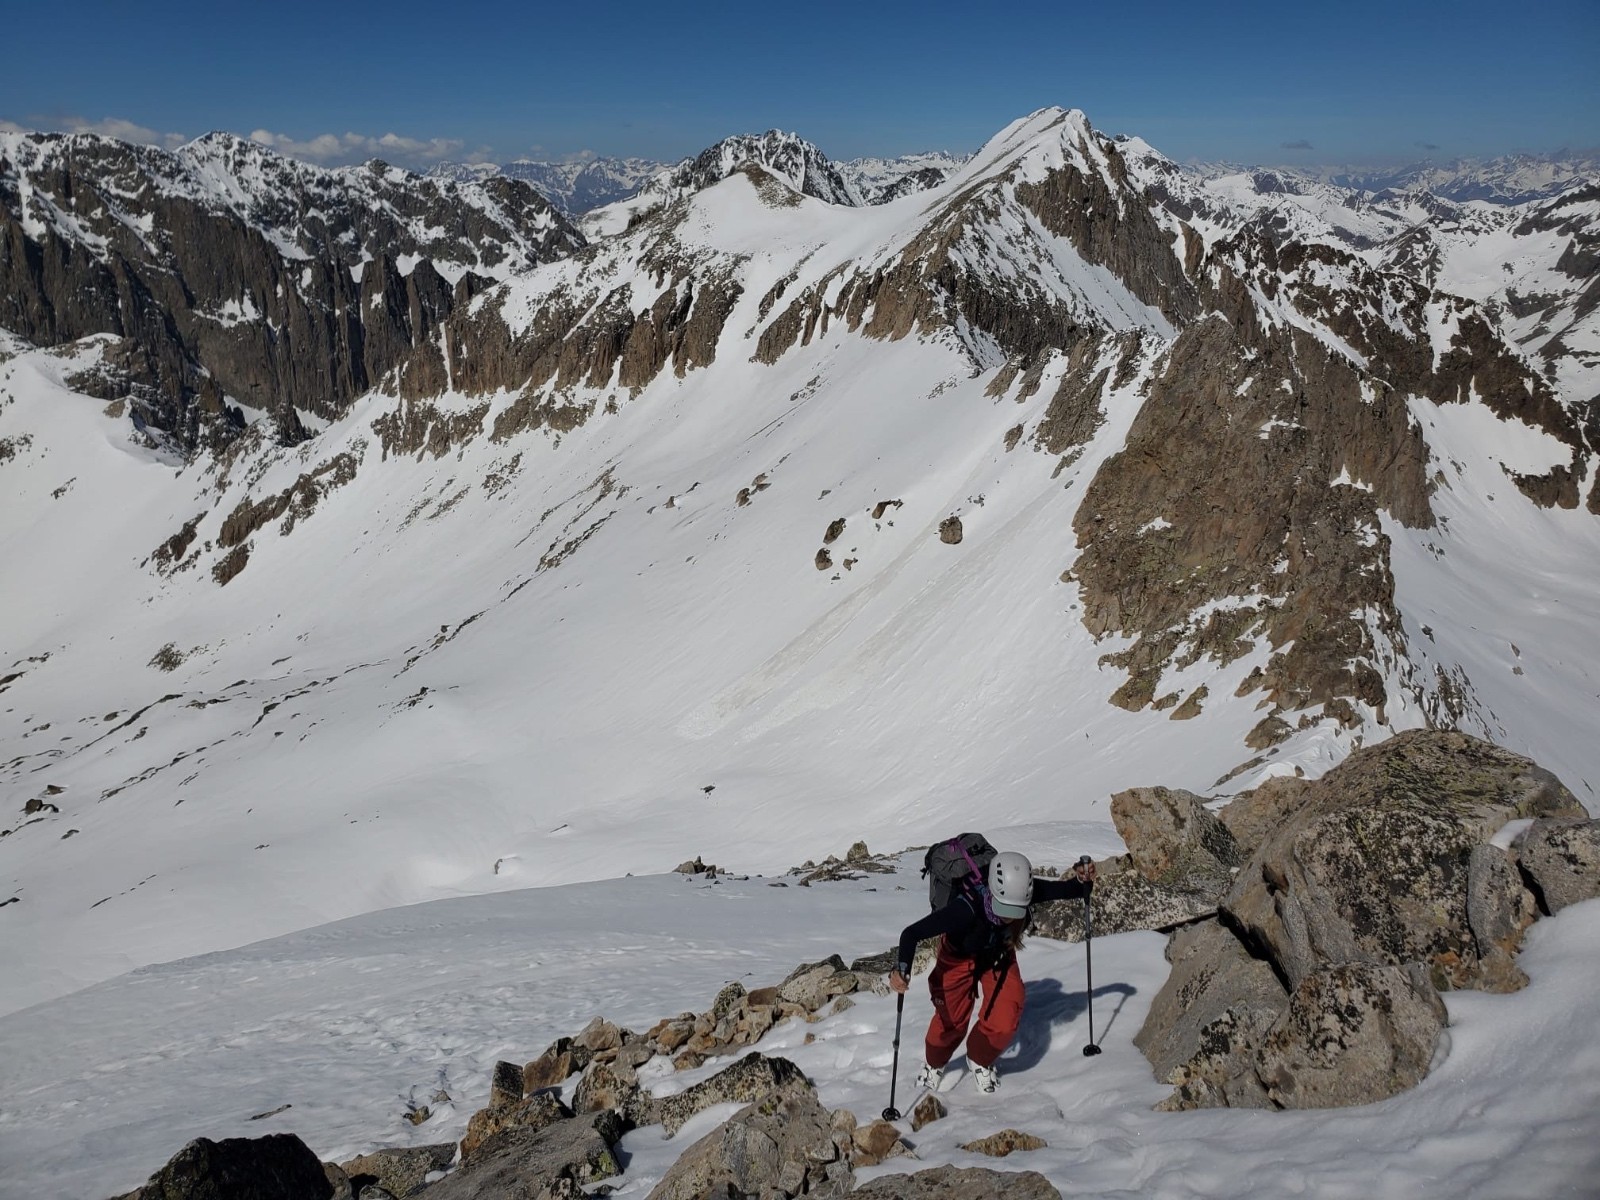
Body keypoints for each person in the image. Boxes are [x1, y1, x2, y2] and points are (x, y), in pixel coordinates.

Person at [888, 850, 1096, 1094]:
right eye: (1003, 908)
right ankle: (934, 1064)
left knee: (1007, 1014)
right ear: (993, 892)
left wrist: (1083, 879)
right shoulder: (965, 908)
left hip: (998, 953)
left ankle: (979, 1057)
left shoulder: (1022, 891)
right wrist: (902, 968)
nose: (1008, 917)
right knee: (950, 1022)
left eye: (1015, 911)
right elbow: (911, 934)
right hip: (957, 959)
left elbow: (1072, 890)